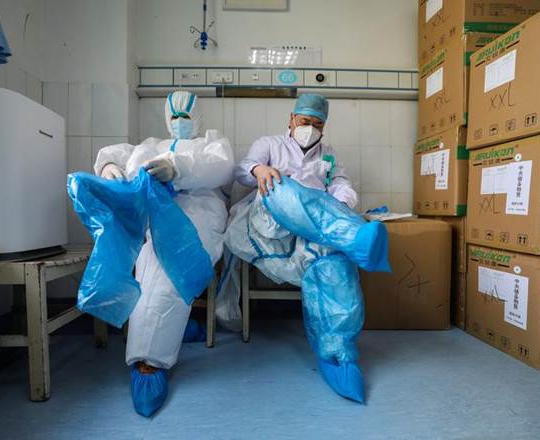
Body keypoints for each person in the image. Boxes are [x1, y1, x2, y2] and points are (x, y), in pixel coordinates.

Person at [225, 93, 374, 402]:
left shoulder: (328, 154)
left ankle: (338, 353)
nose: (311, 129)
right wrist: (259, 170)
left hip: (313, 230)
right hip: (271, 223)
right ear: (291, 119)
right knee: (284, 188)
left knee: (335, 263)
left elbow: (342, 184)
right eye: (305, 121)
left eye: (318, 124)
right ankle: (352, 233)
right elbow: (242, 169)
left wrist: (341, 201)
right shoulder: (270, 144)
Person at [94, 90, 234, 417]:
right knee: (148, 261)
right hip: (154, 216)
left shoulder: (211, 143)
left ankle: (150, 362)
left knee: (167, 265)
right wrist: (108, 166)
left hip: (199, 215)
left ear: (198, 118)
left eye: (186, 116)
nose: (180, 122)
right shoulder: (152, 145)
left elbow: (221, 167)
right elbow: (116, 155)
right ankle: (179, 331)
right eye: (174, 116)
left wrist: (177, 168)